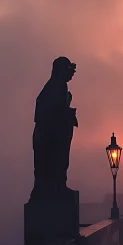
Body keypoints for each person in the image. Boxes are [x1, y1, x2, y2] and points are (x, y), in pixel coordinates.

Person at [31, 56, 78, 200]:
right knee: (53, 162)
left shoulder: (57, 86)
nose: (72, 74)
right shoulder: (55, 87)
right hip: (49, 136)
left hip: (51, 135)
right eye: (69, 70)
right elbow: (50, 113)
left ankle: (58, 187)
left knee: (57, 162)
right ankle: (56, 189)